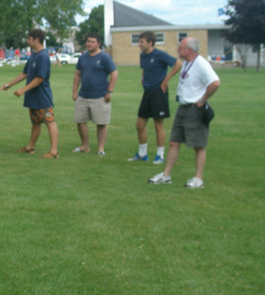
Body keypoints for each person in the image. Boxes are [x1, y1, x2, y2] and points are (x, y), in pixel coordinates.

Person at [149, 37, 220, 189]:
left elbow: (215, 82)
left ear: (188, 50)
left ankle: (198, 179)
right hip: (183, 107)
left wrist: (203, 99)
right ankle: (166, 175)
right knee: (174, 142)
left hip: (195, 109)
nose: (178, 50)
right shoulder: (187, 63)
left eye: (180, 47)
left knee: (198, 145)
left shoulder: (201, 63)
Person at [2, 29, 59, 159]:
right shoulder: (34, 55)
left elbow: (40, 78)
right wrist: (9, 84)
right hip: (33, 97)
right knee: (36, 122)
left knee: (49, 121)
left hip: (42, 96)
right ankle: (30, 147)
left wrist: (23, 89)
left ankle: (54, 152)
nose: (27, 41)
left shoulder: (43, 56)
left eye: (29, 39)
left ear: (36, 40)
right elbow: (25, 73)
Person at [128, 31, 181, 164]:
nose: (139, 44)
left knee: (158, 125)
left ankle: (160, 156)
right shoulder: (142, 55)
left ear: (150, 43)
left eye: (142, 42)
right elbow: (145, 68)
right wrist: (143, 78)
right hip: (147, 92)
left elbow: (178, 63)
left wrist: (167, 79)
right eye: (139, 41)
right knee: (139, 124)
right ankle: (142, 154)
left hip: (159, 92)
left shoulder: (160, 54)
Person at [71, 32, 118, 156]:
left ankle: (101, 149)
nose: (89, 44)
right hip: (83, 95)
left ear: (98, 44)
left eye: (92, 42)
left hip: (100, 96)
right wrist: (75, 91)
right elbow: (77, 75)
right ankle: (85, 146)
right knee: (80, 121)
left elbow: (114, 73)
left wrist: (109, 91)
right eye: (88, 41)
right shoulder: (83, 57)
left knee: (101, 123)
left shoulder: (104, 57)